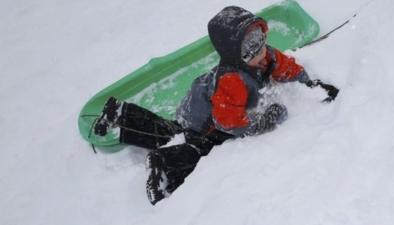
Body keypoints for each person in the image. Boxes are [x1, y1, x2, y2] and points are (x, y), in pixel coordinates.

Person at [93, 6, 338, 205]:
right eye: (248, 47)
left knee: (173, 131)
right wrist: (261, 123)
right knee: (196, 148)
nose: (259, 50)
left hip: (213, 102)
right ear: (232, 54)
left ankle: (122, 114)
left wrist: (310, 83)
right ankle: (166, 163)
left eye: (259, 39)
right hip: (204, 120)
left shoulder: (266, 55)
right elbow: (227, 122)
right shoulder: (232, 81)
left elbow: (285, 68)